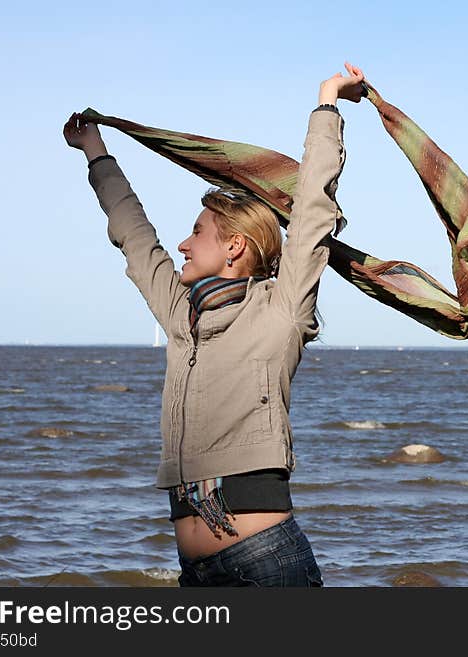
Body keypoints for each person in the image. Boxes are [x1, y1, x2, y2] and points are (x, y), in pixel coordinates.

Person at [63, 62, 366, 586]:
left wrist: (327, 103)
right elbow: (134, 236)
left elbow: (313, 212)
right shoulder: (182, 318)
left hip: (266, 564)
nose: (182, 243)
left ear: (235, 246)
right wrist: (95, 152)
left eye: (196, 231)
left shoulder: (279, 311)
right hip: (195, 573)